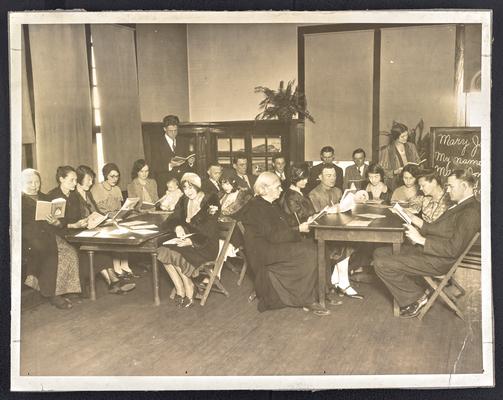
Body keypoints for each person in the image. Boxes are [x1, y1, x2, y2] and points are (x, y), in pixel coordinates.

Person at [373, 169, 480, 318]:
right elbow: (435, 228)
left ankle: (417, 297)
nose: (447, 190)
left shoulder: (471, 211)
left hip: (438, 261)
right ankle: (415, 291)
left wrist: (420, 240)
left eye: (451, 186)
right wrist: (409, 216)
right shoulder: (460, 205)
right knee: (379, 252)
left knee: (381, 263)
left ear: (464, 185)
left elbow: (453, 249)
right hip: (432, 252)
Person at [239, 172, 330, 315]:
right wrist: (299, 229)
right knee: (310, 252)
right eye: (277, 187)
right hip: (264, 251)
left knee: (319, 246)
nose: (281, 190)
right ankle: (306, 299)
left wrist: (304, 223)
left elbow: (281, 227)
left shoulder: (269, 204)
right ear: (264, 189)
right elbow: (273, 236)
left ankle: (321, 293)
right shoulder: (256, 207)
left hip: (273, 244)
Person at [157, 173, 220, 308]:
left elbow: (209, 229)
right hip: (188, 239)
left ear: (198, 187)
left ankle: (189, 286)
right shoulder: (184, 200)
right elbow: (173, 218)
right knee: (162, 250)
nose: (188, 191)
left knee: (176, 253)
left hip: (205, 244)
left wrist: (192, 242)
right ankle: (180, 288)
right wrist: (177, 226)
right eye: (185, 188)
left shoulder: (211, 200)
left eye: (191, 188)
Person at [21, 168, 81, 309]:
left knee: (70, 251)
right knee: (49, 252)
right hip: (29, 237)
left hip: (49, 233)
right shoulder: (17, 201)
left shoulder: (45, 198)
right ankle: (52, 294)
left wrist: (56, 222)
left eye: (37, 182)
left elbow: (59, 222)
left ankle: (66, 289)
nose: (35, 185)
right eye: (30, 182)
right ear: (21, 184)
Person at [72, 165, 135, 294]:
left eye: (91, 180)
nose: (91, 183)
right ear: (79, 180)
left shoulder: (87, 193)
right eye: (88, 180)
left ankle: (113, 282)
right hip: (78, 232)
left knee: (102, 250)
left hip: (92, 229)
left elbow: (97, 211)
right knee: (99, 251)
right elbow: (75, 218)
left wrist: (106, 219)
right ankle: (114, 281)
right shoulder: (74, 196)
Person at [91, 163, 136, 278]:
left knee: (127, 231)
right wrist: (111, 217)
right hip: (102, 221)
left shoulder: (117, 189)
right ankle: (117, 268)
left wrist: (125, 211)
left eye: (117, 176)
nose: (115, 179)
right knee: (118, 234)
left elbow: (119, 208)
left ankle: (124, 265)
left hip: (116, 219)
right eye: (112, 176)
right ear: (106, 175)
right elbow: (96, 210)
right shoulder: (97, 188)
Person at [148, 114, 187, 196]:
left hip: (180, 185)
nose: (173, 133)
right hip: (165, 186)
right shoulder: (156, 143)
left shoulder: (183, 141)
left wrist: (190, 161)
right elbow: (154, 166)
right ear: (164, 129)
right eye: (170, 131)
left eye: (175, 130)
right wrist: (170, 165)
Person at [379, 121, 420, 191]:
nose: (405, 138)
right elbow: (382, 171)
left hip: (412, 182)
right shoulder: (387, 150)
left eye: (406, 135)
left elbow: (418, 161)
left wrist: (419, 166)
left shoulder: (411, 146)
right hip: (395, 184)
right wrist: (395, 172)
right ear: (396, 137)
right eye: (402, 136)